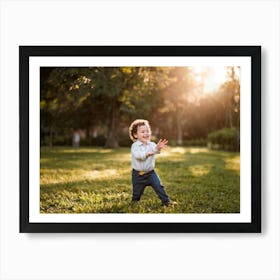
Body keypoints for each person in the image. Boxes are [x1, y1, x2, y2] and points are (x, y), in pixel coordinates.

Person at [128, 119, 177, 207]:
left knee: (159, 186)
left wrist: (158, 148)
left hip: (151, 173)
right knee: (137, 191)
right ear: (135, 135)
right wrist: (150, 153)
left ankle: (166, 202)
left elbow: (156, 151)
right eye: (142, 132)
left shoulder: (151, 144)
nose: (146, 133)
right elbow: (139, 156)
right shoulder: (135, 146)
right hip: (138, 175)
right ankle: (134, 202)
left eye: (147, 131)